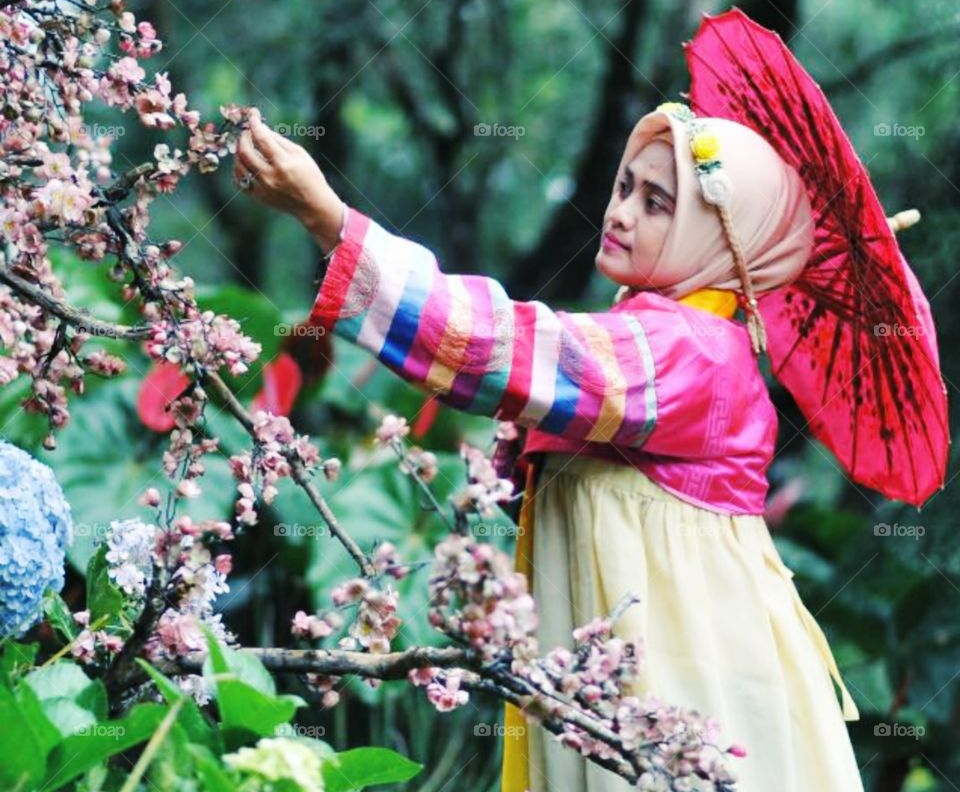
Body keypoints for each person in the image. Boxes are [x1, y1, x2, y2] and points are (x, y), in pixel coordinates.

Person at [233, 102, 866, 791]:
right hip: (655, 672)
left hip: (691, 671)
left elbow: (499, 348)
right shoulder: (662, 336)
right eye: (625, 187)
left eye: (658, 204)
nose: (620, 213)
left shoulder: (692, 350)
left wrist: (330, 218)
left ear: (720, 239)